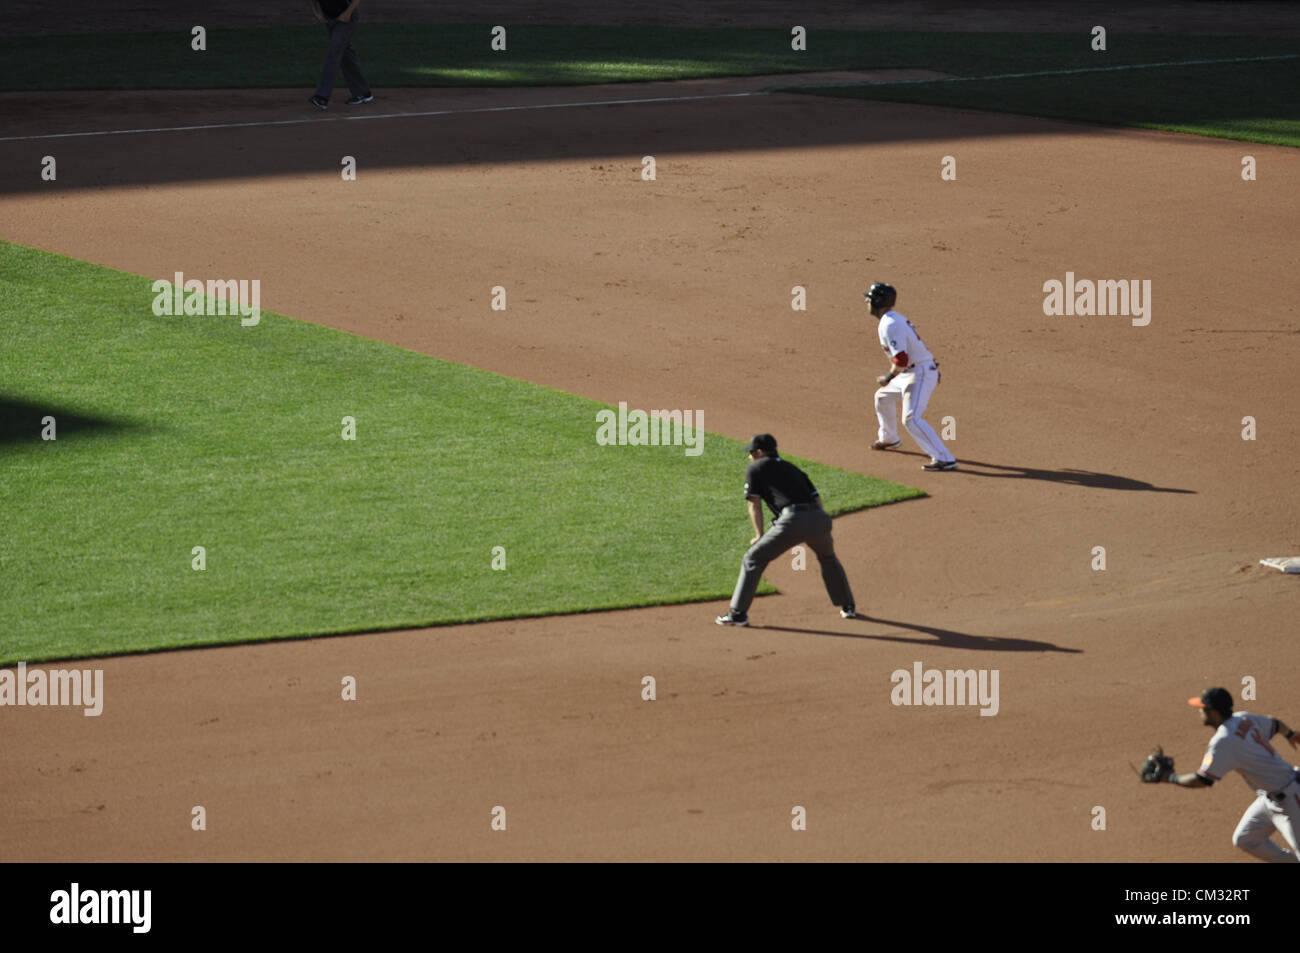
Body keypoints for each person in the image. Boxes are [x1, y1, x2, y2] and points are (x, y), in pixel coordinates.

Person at [715, 434, 857, 626]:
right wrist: (817, 526)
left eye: (751, 452)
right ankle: (847, 607)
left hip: (792, 520)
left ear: (760, 452)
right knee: (828, 558)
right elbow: (817, 500)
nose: (749, 456)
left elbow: (754, 504)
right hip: (819, 518)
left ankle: (738, 614)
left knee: (753, 558)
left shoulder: (755, 467)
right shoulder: (794, 468)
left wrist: (759, 534)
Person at [1157, 687, 1300, 862]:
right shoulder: (1243, 718)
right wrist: (1290, 734)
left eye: (1203, 708)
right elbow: (1275, 724)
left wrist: (1169, 778)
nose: (1200, 711)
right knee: (1246, 839)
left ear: (1214, 713)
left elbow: (1202, 780)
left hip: (1292, 800)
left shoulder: (1224, 740)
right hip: (1270, 797)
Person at [864, 282, 957, 471]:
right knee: (882, 397)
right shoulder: (891, 320)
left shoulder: (890, 324)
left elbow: (901, 358)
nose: (867, 301)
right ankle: (889, 438)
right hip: (913, 371)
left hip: (919, 372)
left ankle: (944, 458)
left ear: (877, 302)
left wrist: (888, 377)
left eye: (869, 299)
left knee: (911, 418)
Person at [309, 0, 374, 110]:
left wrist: (347, 13)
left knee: (333, 53)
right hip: (330, 19)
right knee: (346, 56)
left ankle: (322, 96)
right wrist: (318, 14)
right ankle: (363, 92)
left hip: (347, 18)